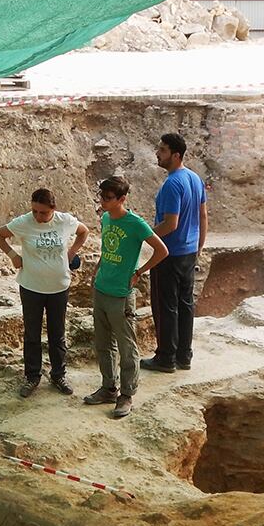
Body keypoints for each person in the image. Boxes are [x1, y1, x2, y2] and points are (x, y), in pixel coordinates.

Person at [0, 188, 90, 397]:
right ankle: (32, 377)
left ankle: (58, 375)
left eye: (43, 213)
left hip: (58, 287)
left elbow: (84, 232)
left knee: (57, 334)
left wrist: (71, 252)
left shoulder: (64, 221)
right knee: (32, 334)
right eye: (35, 211)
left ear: (53, 209)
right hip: (31, 287)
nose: (38, 216)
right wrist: (12, 255)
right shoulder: (24, 222)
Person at [85, 175, 167, 419]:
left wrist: (140, 272)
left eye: (108, 198)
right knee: (103, 343)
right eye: (101, 196)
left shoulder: (135, 223)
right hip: (102, 288)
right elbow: (107, 248)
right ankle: (108, 387)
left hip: (121, 294)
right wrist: (98, 271)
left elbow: (162, 250)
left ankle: (127, 394)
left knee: (126, 346)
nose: (103, 202)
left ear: (122, 199)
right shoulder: (107, 217)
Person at [142, 132, 207, 374]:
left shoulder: (172, 184)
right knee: (185, 304)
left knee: (165, 305)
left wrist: (145, 236)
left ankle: (166, 358)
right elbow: (203, 216)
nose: (158, 153)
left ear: (175, 155)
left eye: (163, 150)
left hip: (169, 254)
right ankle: (184, 355)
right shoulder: (194, 178)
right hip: (189, 252)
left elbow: (170, 224)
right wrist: (199, 246)